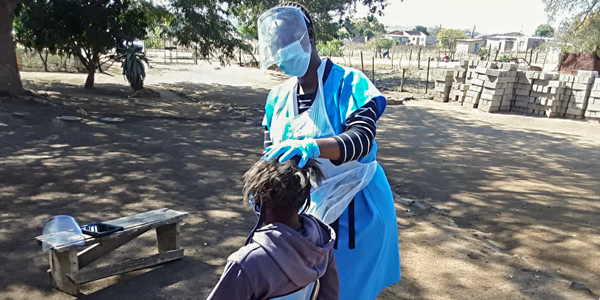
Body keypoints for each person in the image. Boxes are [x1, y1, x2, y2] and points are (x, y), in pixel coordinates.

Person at [258, 3, 401, 300]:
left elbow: (361, 139)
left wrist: (313, 147)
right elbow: (269, 151)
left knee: (345, 290)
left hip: (356, 208)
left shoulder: (349, 84)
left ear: (308, 35)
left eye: (286, 43)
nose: (281, 52)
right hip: (307, 207)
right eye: (276, 47)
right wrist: (263, 189)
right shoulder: (277, 98)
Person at [207, 158, 339, 300]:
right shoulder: (322, 240)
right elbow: (330, 295)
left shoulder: (246, 262)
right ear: (305, 196)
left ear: (259, 199)